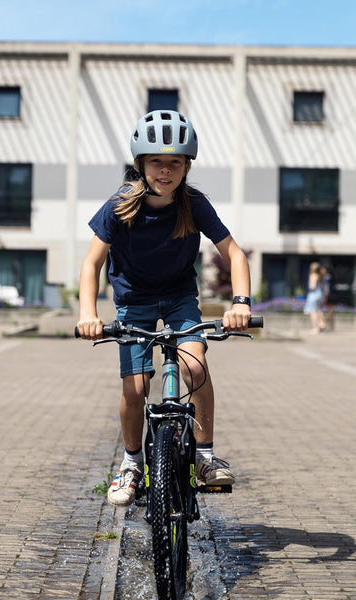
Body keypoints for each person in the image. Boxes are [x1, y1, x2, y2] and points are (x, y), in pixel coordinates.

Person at [77, 110, 251, 507]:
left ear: (188, 165)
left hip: (178, 298)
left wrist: (240, 302)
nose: (165, 170)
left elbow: (235, 253)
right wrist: (88, 314)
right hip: (133, 300)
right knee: (135, 387)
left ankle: (205, 457)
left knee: (195, 366)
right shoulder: (121, 205)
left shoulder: (193, 204)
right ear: (141, 164)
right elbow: (91, 264)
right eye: (156, 161)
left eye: (175, 162)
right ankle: (132, 464)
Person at [304, 262, 325, 334]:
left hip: (313, 295)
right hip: (320, 295)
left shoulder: (313, 275)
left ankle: (315, 328)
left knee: (313, 312)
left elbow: (312, 287)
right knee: (318, 311)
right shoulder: (320, 276)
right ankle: (321, 324)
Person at [321, 265, 335, 331]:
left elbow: (327, 289)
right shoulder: (330, 276)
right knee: (330, 311)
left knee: (320, 310)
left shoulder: (327, 277)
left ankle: (324, 325)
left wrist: (325, 297)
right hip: (331, 295)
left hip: (328, 296)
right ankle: (331, 326)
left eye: (323, 269)